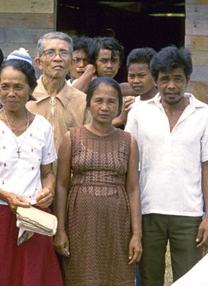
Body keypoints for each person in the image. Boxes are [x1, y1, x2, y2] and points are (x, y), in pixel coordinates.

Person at [125, 46, 208, 284]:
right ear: (156, 81)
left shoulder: (204, 114)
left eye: (178, 79)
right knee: (149, 279)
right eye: (165, 79)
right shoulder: (139, 111)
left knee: (189, 280)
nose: (171, 86)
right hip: (148, 211)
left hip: (189, 214)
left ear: (187, 79)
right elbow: (129, 163)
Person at [0, 59, 63, 286]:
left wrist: (49, 189)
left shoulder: (42, 126)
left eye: (18, 87)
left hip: (34, 214)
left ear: (31, 89)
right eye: (5, 86)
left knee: (32, 275)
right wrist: (6, 196)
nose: (10, 93)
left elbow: (47, 172)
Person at [54, 77, 143, 285]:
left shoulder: (128, 140)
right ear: (88, 103)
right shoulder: (72, 137)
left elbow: (133, 189)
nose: (105, 107)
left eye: (111, 101)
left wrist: (136, 234)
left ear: (119, 106)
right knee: (81, 276)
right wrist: (61, 230)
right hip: (79, 223)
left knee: (116, 275)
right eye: (98, 100)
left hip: (117, 223)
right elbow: (61, 185)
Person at [27, 32, 89, 152]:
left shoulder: (83, 101)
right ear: (39, 62)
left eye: (64, 53)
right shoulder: (26, 97)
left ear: (71, 63)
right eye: (50, 53)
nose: (57, 58)